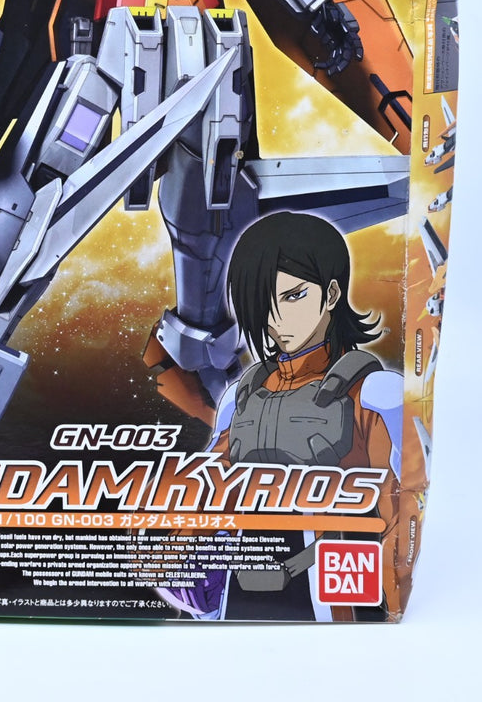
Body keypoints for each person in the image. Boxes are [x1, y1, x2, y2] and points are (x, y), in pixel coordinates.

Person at [168, 211, 404, 621]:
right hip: (242, 600)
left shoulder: (373, 392)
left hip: (337, 601)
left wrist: (393, 606)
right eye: (264, 302)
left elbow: (398, 508)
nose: (276, 319)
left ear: (331, 294)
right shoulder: (242, 396)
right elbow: (208, 492)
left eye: (294, 296)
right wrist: (179, 564)